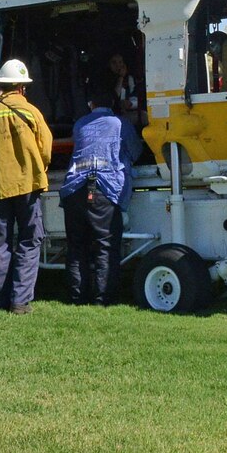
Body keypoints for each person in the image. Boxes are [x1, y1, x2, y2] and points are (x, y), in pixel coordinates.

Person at [0, 58, 53, 314]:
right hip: (28, 188)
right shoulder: (31, 112)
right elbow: (45, 149)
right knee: (29, 241)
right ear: (22, 87)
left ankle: (0, 301)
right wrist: (38, 169)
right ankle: (20, 302)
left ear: (0, 86)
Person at [59, 74, 127, 305]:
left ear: (91, 104)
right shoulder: (120, 124)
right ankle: (103, 298)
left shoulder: (80, 124)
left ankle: (76, 297)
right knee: (105, 246)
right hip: (104, 188)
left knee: (76, 246)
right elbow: (135, 149)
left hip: (74, 188)